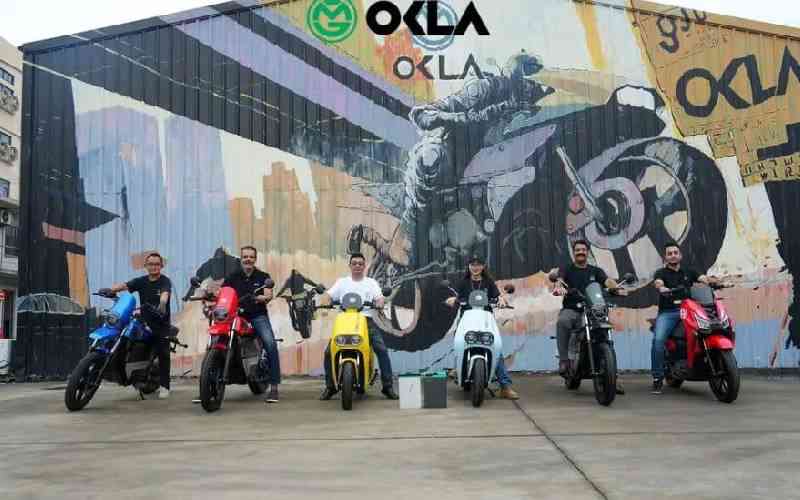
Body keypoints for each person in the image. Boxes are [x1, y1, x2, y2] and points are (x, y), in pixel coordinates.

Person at [318, 252, 399, 401]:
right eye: (354, 263)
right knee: (329, 352)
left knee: (381, 349)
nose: (357, 266)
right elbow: (328, 295)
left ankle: (387, 387)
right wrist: (325, 302)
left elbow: (380, 297)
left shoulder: (371, 283)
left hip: (365, 321)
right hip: (344, 320)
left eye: (360, 264)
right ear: (350, 265)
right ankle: (330, 387)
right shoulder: (342, 282)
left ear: (364, 266)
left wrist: (379, 303)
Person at [550, 240, 625, 394]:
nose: (580, 252)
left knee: (605, 336)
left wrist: (615, 287)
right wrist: (559, 286)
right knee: (563, 321)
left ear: (587, 252)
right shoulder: (567, 269)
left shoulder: (595, 271)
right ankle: (564, 361)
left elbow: (606, 281)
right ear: (574, 252)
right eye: (577, 250)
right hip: (573, 308)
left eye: (583, 250)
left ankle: (613, 377)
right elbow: (560, 279)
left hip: (593, 310)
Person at [444, 255, 520, 400]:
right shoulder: (463, 282)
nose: (475, 267)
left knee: (496, 346)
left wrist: (501, 300)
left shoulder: (488, 282)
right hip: (467, 317)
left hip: (486, 318)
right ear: (468, 266)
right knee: (459, 340)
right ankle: (458, 366)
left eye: (478, 264)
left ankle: (505, 387)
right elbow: (457, 297)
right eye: (472, 264)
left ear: (483, 266)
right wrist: (453, 300)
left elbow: (498, 296)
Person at [102, 252, 173, 399]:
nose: (154, 267)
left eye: (157, 264)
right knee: (125, 335)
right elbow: (126, 285)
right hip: (144, 320)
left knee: (163, 352)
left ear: (161, 266)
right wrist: (111, 290)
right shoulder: (141, 281)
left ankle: (165, 386)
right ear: (146, 266)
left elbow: (165, 294)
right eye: (151, 264)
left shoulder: (165, 281)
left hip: (160, 322)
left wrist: (162, 304)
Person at [221, 246, 281, 403]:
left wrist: (263, 298)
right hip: (236, 315)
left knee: (270, 343)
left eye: (251, 257)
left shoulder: (263, 277)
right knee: (218, 339)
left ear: (255, 259)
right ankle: (208, 386)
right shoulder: (232, 277)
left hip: (257, 315)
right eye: (245, 257)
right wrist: (209, 295)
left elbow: (268, 293)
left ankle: (274, 387)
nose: (248, 259)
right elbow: (223, 293)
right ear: (241, 259)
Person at [651, 241, 712, 394]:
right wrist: (661, 287)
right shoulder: (661, 273)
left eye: (675, 253)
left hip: (689, 309)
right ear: (665, 257)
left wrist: (717, 282)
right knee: (658, 340)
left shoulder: (689, 271)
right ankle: (657, 377)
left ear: (680, 255)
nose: (673, 255)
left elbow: (703, 278)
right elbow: (658, 282)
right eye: (669, 254)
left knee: (707, 330)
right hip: (669, 312)